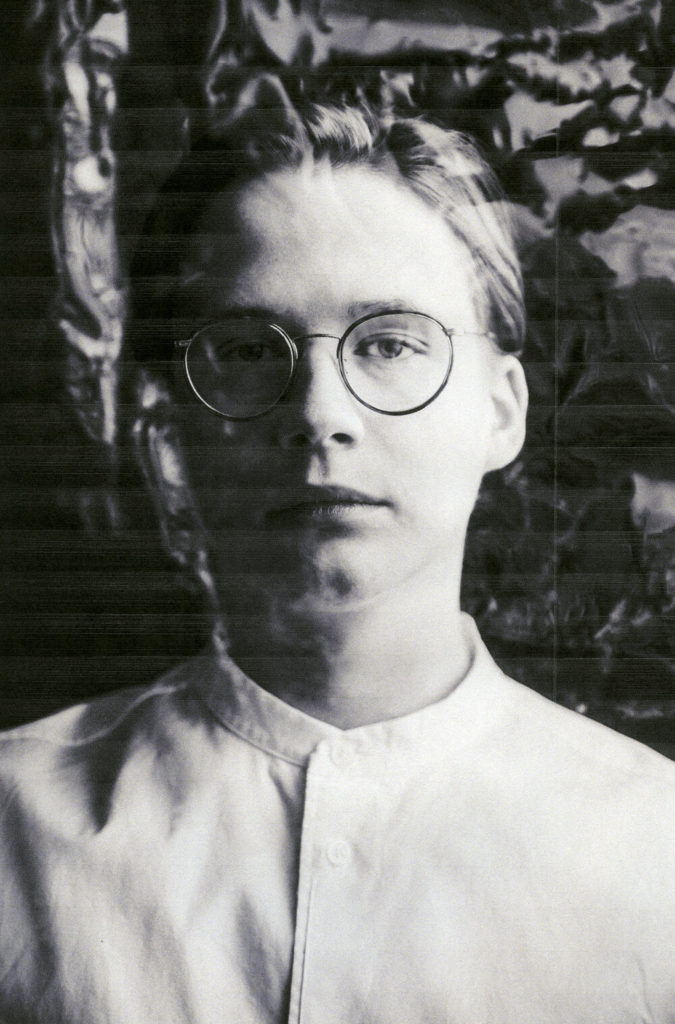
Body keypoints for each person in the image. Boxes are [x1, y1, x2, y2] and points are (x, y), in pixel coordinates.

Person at [0, 88, 673, 1024]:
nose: (320, 413)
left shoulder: (653, 851)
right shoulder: (13, 835)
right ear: (172, 432)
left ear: (501, 411)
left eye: (390, 343)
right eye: (248, 350)